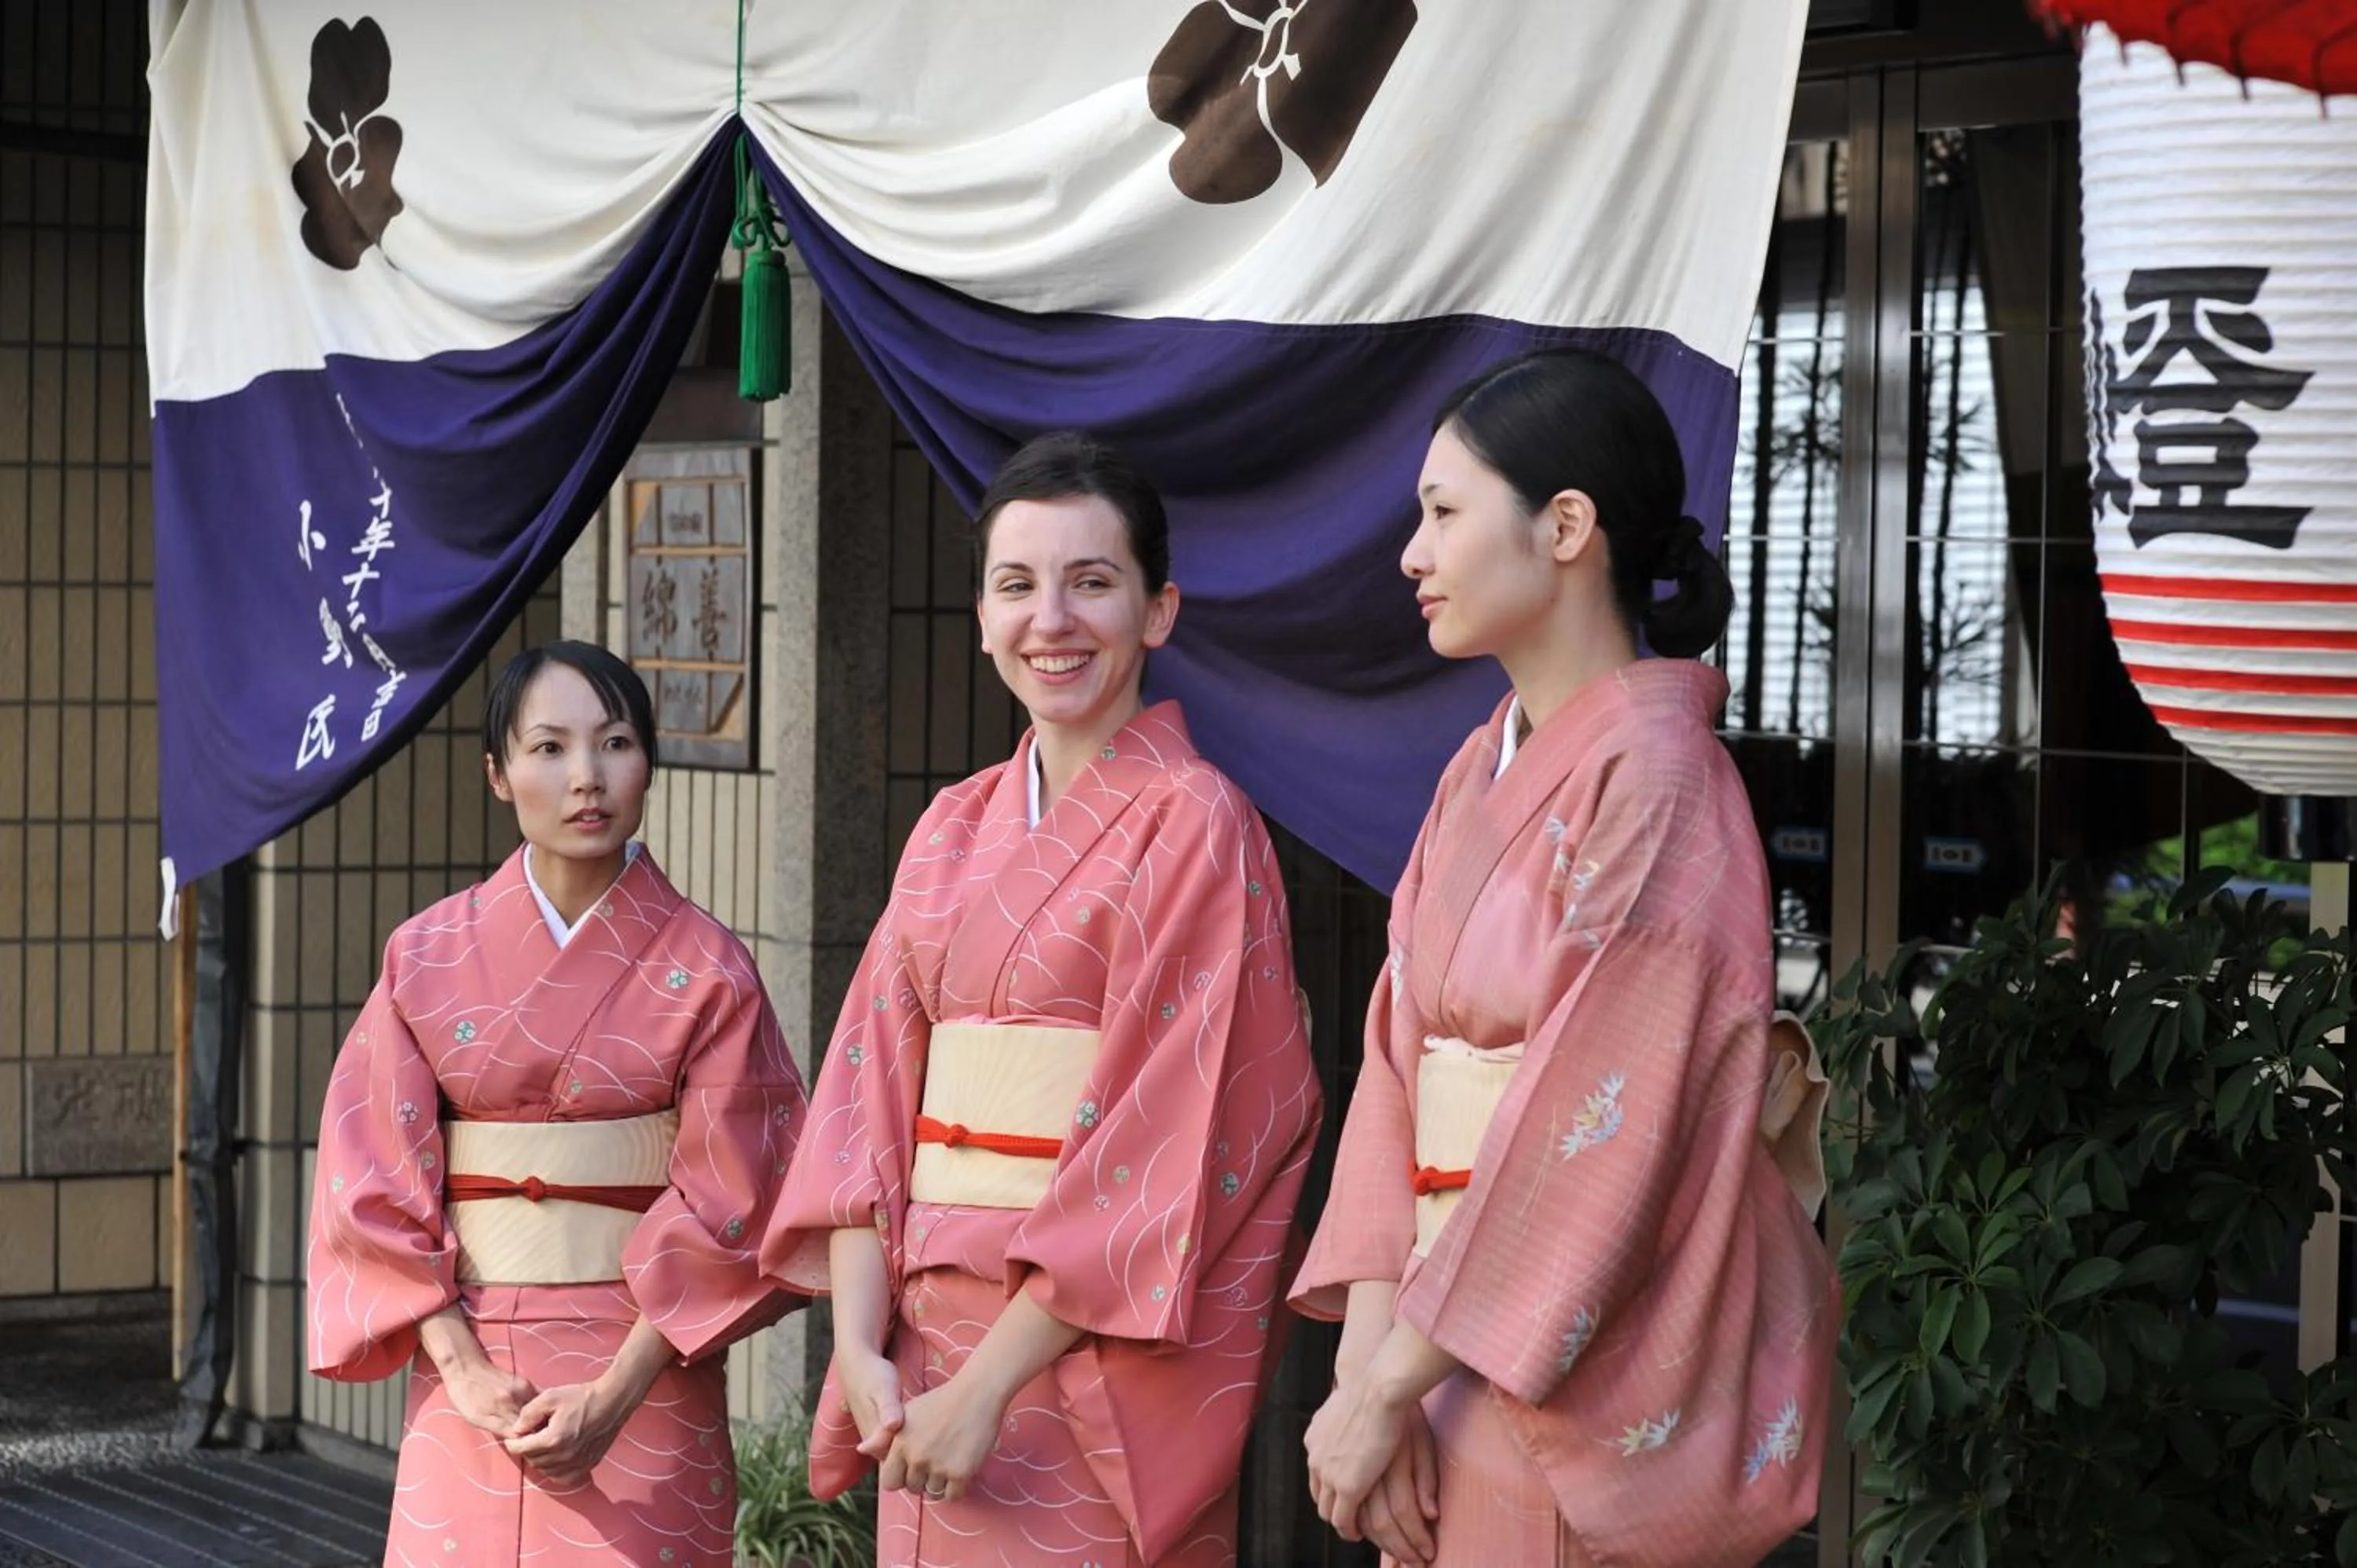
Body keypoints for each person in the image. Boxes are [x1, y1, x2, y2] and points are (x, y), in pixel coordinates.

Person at [1291, 348, 1838, 1567]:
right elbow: (1394, 1072)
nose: (1413, 555)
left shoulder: (1662, 781)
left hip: (1562, 1380)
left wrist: (1394, 1381)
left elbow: (1603, 1123)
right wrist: (1369, 1376)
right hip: (1434, 1360)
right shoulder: (1475, 768)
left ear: (1568, 527)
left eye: (1443, 513)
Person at [762, 431, 1323, 1566]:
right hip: (920, 1351)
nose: (1051, 620)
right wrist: (859, 1345)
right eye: (1016, 586)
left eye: (1093, 582)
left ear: (1158, 611)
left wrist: (988, 1388)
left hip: (1081, 1367)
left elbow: (1173, 1142)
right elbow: (868, 1102)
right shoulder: (950, 825)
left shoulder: (1198, 823)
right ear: (980, 616)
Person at [306, 641, 808, 1567]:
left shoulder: (710, 969)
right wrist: (460, 1364)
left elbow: (743, 1192)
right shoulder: (425, 955)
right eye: (549, 748)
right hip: (469, 1371)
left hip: (648, 1367)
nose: (587, 777)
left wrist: (615, 1393)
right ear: (498, 774)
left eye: (615, 743)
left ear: (649, 761)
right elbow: (367, 1170)